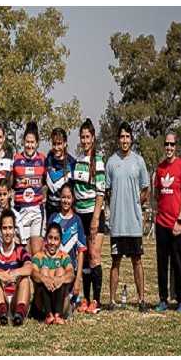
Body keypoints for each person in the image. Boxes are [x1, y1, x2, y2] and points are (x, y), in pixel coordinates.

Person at [106, 122, 150, 312]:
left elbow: (145, 189)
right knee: (115, 261)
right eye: (121, 137)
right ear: (118, 139)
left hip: (133, 223)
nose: (124, 140)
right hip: (117, 223)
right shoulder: (111, 162)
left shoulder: (139, 161)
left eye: (127, 137)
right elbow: (107, 191)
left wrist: (135, 203)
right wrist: (117, 203)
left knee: (137, 261)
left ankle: (141, 300)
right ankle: (112, 300)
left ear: (131, 139)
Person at [72, 118, 106, 314]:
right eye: (82, 137)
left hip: (94, 215)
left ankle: (97, 300)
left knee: (94, 255)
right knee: (83, 256)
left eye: (88, 137)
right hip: (80, 215)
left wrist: (95, 219)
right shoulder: (77, 162)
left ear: (93, 138)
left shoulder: (98, 161)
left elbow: (100, 192)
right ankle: (85, 298)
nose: (85, 140)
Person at [153, 132, 181, 312]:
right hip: (161, 223)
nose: (169, 148)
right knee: (162, 263)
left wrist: (180, 219)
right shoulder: (159, 169)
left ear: (176, 146)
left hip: (177, 224)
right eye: (166, 144)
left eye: (172, 145)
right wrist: (157, 214)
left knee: (178, 262)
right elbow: (157, 194)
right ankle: (163, 299)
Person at [0, 210, 32, 326]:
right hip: (1, 298)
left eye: (10, 228)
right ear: (0, 230)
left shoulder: (20, 250)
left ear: (14, 230)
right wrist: (0, 275)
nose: (7, 232)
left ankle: (19, 315)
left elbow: (29, 268)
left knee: (25, 279)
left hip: (16, 298)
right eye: (4, 228)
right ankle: (2, 314)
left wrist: (14, 273)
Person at [48, 184, 87, 312]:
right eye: (63, 197)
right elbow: (46, 247)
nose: (66, 200)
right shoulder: (53, 218)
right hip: (53, 269)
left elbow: (81, 252)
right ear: (60, 198)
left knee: (65, 310)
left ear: (73, 199)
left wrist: (78, 280)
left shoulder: (77, 221)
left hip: (70, 272)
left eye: (69, 197)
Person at [11, 121, 47, 255]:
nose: (29, 145)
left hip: (37, 210)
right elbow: (11, 183)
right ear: (23, 142)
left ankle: (35, 275)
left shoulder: (43, 159)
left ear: (37, 143)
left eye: (32, 142)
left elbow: (46, 182)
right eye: (27, 142)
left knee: (37, 251)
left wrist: (43, 196)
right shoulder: (16, 159)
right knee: (25, 252)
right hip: (21, 210)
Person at [31, 223, 74, 325]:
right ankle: (49, 314)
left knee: (60, 271)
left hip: (61, 300)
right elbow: (33, 272)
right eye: (50, 238)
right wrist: (44, 279)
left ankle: (58, 315)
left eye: (56, 239)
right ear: (46, 239)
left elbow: (71, 273)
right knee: (44, 271)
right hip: (42, 304)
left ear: (60, 241)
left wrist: (60, 279)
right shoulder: (38, 256)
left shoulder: (64, 256)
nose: (52, 242)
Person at [45, 127, 76, 221]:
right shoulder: (48, 160)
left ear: (65, 143)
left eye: (59, 144)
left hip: (65, 210)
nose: (56, 147)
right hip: (50, 209)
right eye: (54, 144)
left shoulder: (72, 163)